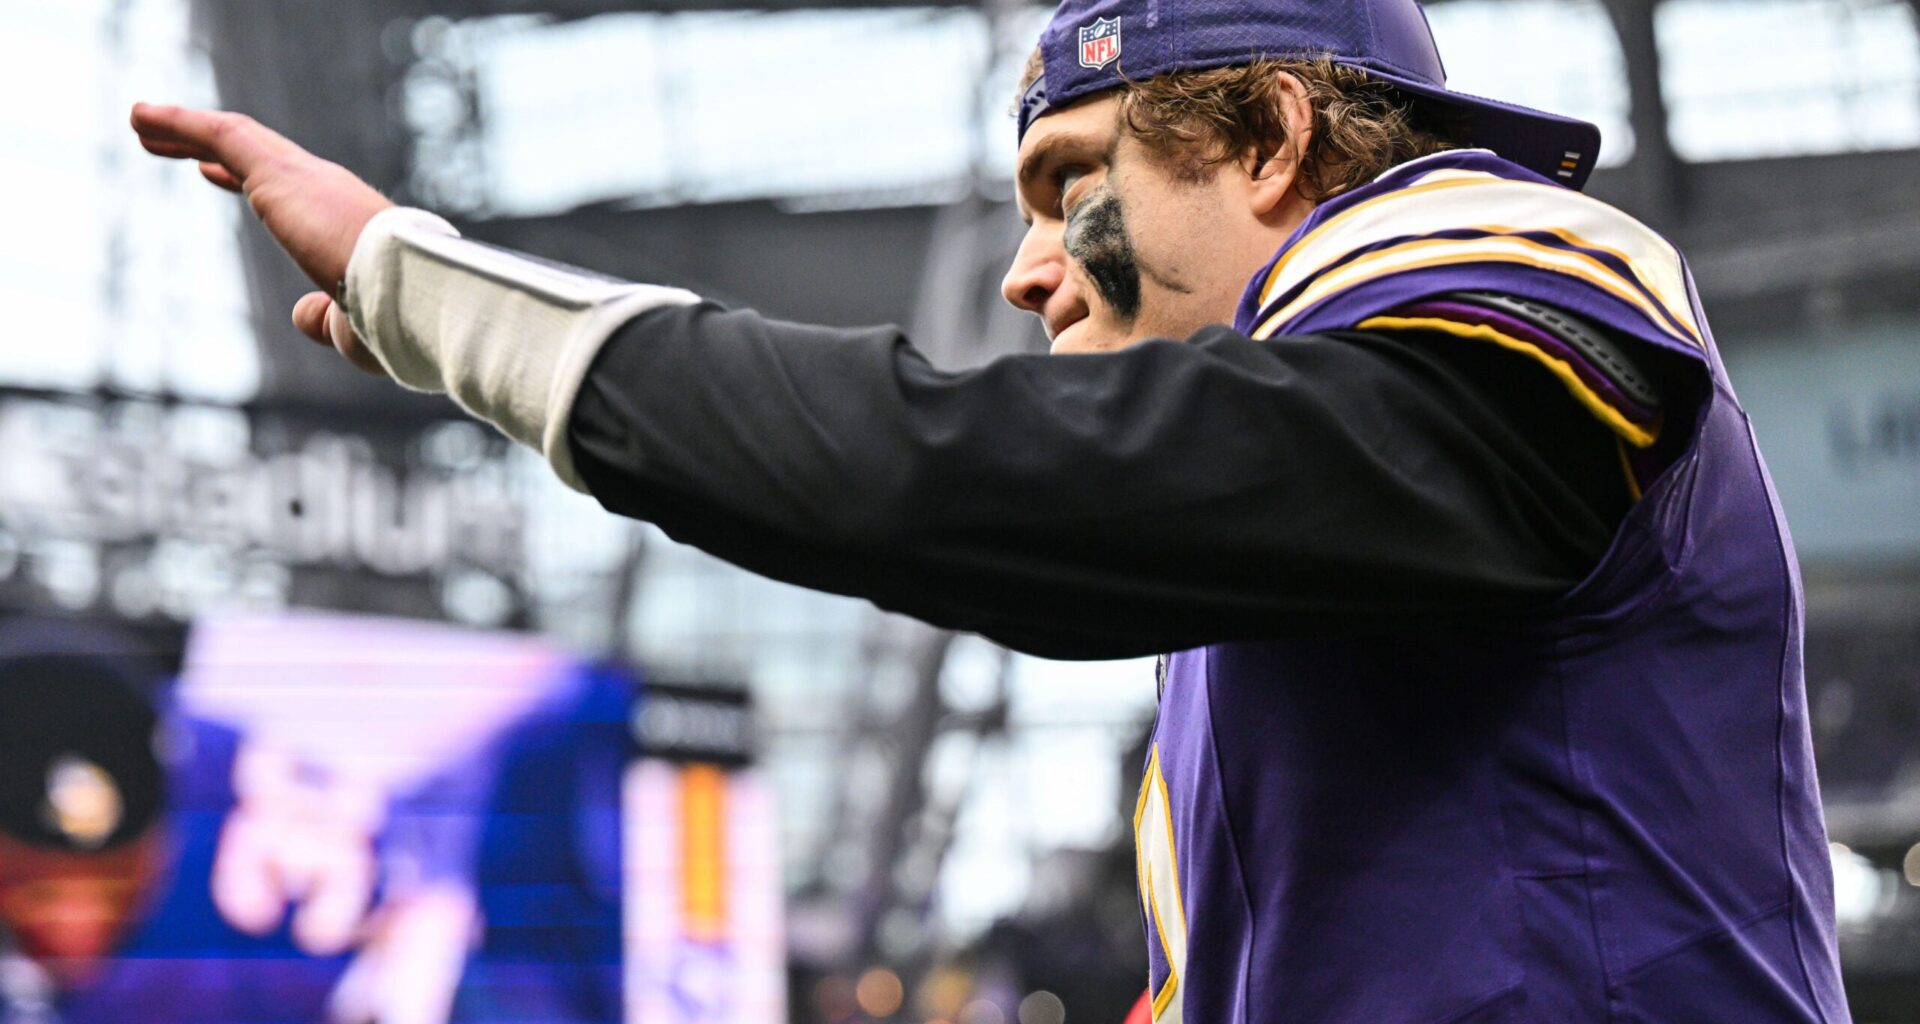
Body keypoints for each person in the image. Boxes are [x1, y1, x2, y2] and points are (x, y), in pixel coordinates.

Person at [128, 0, 1851, 1017]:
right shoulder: (1268, 610)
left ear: (1268, 134)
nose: (1031, 268)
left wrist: (438, 295)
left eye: (1070, 181)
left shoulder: (1500, 253)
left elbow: (957, 477)